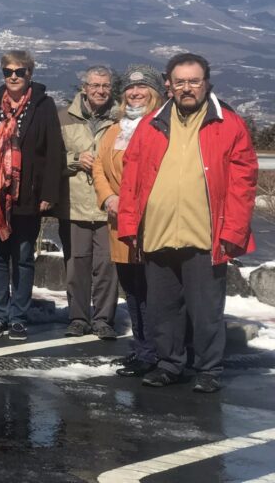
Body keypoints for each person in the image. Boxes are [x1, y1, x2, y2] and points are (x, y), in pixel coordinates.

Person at [118, 53, 257, 393]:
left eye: (194, 81)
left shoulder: (227, 124)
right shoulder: (151, 125)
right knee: (163, 310)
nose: (187, 88)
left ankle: (208, 368)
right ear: (168, 85)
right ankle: (169, 364)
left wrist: (233, 231)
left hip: (205, 235)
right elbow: (132, 179)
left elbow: (244, 182)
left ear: (206, 82)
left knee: (205, 309)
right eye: (180, 82)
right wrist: (129, 225)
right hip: (158, 232)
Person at [0, 50, 64, 341]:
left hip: (26, 195)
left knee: (22, 257)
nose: (13, 76)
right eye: (8, 71)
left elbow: (53, 152)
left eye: (19, 72)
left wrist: (48, 192)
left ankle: (18, 317)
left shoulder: (43, 106)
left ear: (29, 74)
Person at [93, 65, 165, 377]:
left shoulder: (162, 126)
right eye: (130, 88)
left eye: (142, 87)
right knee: (132, 288)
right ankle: (141, 347)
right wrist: (108, 197)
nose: (135, 93)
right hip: (117, 221)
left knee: (152, 289)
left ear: (155, 92)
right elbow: (98, 164)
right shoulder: (114, 129)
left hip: (150, 222)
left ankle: (157, 351)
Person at [58, 66, 119, 339]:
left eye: (105, 86)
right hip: (74, 204)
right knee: (76, 266)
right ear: (84, 87)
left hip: (108, 205)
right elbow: (49, 160)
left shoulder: (122, 120)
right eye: (94, 85)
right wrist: (74, 160)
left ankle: (104, 318)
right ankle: (78, 318)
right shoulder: (63, 118)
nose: (100, 91)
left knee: (107, 266)